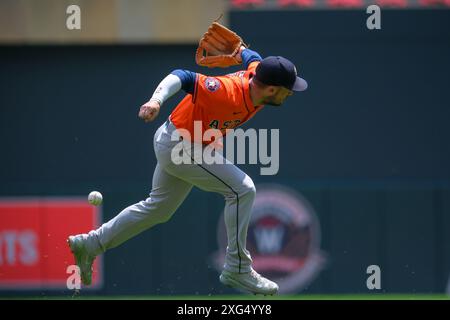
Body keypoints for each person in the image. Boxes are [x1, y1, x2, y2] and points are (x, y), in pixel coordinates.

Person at [68, 46, 308, 295]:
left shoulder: (257, 73)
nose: (290, 94)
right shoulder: (226, 91)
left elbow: (252, 58)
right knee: (242, 190)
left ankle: (91, 243)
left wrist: (240, 50)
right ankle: (237, 267)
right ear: (271, 89)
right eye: (288, 90)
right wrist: (156, 100)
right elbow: (182, 76)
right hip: (179, 145)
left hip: (180, 140)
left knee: (159, 209)